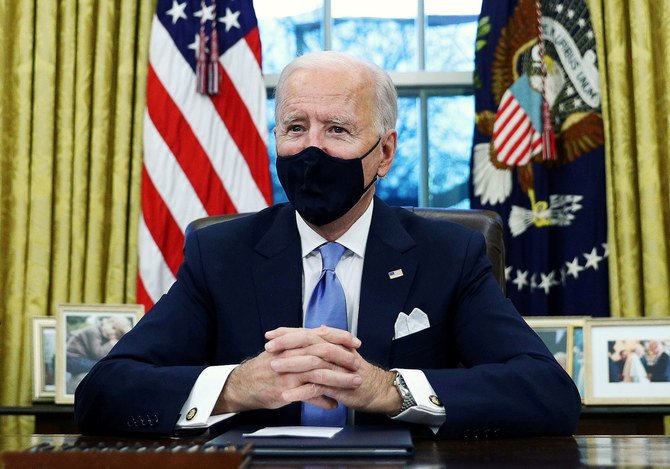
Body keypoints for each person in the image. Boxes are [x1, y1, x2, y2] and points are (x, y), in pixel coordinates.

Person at [74, 51, 581, 439]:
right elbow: (103, 390)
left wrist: (390, 389)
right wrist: (236, 386)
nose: (311, 149)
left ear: (384, 152)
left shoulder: (449, 254)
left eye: (337, 130)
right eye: (295, 128)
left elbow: (548, 393)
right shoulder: (221, 253)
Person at [66, 316, 132, 393]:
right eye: (113, 328)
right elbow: (97, 354)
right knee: (100, 366)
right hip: (72, 360)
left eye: (116, 335)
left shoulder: (103, 334)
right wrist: (111, 343)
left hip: (82, 359)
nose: (112, 333)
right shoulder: (93, 331)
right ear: (106, 322)